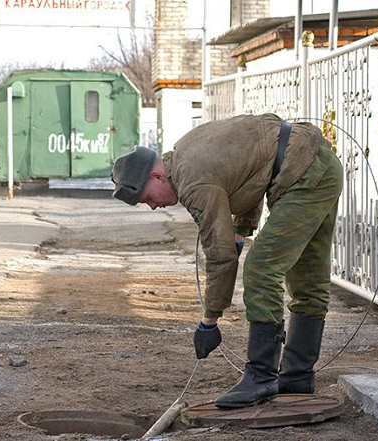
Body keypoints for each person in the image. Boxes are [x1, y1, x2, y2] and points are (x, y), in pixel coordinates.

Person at [111, 113, 343, 408]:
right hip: (317, 164)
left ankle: (261, 376)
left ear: (156, 176)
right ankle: (296, 378)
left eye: (147, 198)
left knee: (261, 268)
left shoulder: (191, 182)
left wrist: (209, 320)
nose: (153, 206)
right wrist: (241, 232)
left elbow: (219, 256)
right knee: (307, 278)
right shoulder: (187, 150)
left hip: (304, 175)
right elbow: (253, 170)